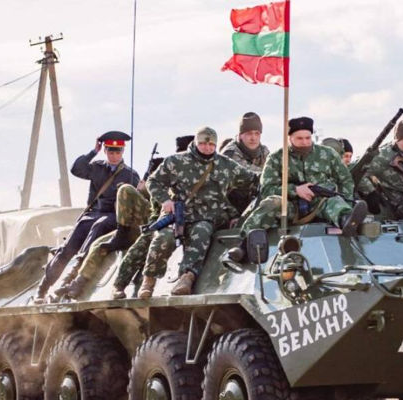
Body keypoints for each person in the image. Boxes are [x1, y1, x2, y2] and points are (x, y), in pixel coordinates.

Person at [136, 126, 258, 298]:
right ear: (195, 142)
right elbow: (153, 181)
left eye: (211, 145)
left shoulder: (225, 165)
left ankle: (187, 278)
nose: (207, 148)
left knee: (202, 232)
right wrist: (165, 200)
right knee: (164, 238)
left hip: (206, 216)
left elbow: (252, 179)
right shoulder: (176, 161)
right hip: (178, 215)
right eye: (203, 144)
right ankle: (148, 281)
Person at [227, 117, 367, 262]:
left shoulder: (328, 154)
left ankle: (346, 220)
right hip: (291, 207)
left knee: (335, 202)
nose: (305, 142)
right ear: (290, 138)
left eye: (308, 138)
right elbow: (266, 189)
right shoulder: (277, 158)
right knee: (272, 203)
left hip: (321, 203)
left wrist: (345, 199)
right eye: (299, 138)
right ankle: (243, 244)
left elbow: (345, 180)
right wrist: (295, 190)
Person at [34, 131, 139, 303]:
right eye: (110, 151)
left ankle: (73, 276)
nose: (114, 155)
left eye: (117, 151)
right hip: (92, 214)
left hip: (112, 216)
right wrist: (93, 152)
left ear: (122, 151)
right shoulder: (97, 167)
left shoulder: (130, 175)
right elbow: (76, 169)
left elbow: (132, 200)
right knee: (67, 249)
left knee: (98, 228)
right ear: (105, 150)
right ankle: (43, 289)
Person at [108, 134, 196, 299]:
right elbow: (155, 206)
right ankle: (119, 284)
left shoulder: (205, 173)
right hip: (165, 221)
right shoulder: (166, 175)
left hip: (194, 221)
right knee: (142, 245)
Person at [221, 112, 270, 213]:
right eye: (249, 133)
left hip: (255, 199)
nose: (253, 138)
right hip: (232, 206)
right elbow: (248, 174)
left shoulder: (264, 151)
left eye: (257, 133)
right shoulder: (230, 153)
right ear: (240, 135)